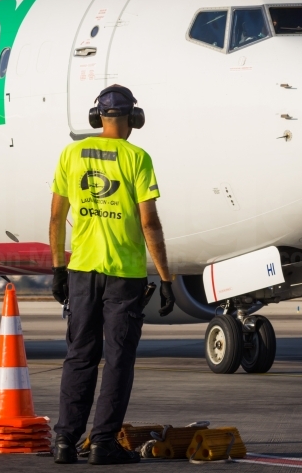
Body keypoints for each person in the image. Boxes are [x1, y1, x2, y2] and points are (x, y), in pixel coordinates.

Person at [49, 84, 175, 465]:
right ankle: (103, 443)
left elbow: (56, 217)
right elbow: (149, 223)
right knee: (118, 360)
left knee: (79, 357)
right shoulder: (137, 157)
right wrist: (166, 279)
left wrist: (58, 268)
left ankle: (64, 442)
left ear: (96, 117)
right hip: (124, 275)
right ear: (134, 118)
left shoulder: (71, 153)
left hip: (82, 272)